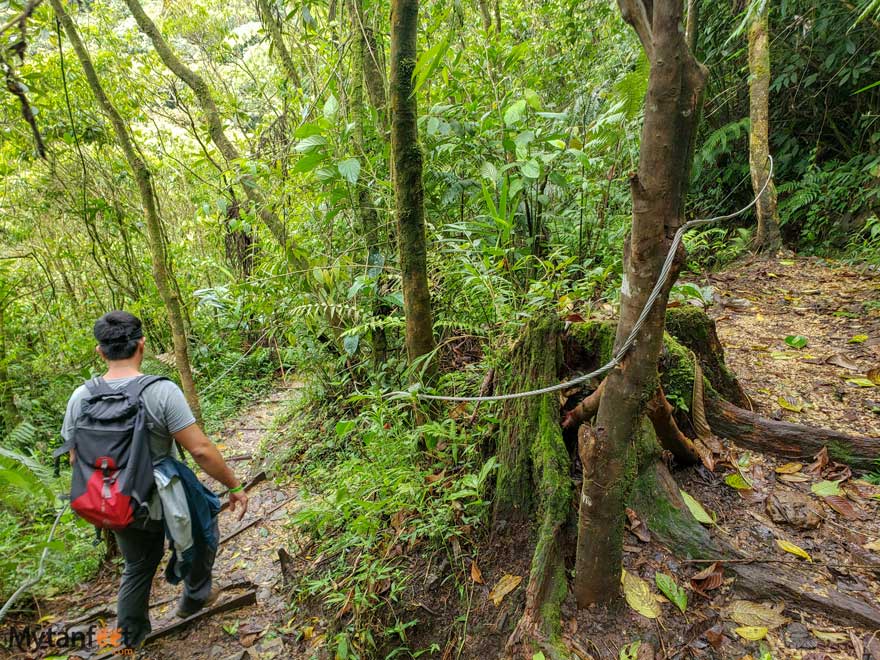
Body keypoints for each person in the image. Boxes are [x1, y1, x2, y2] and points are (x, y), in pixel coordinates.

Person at [60, 311, 248, 649]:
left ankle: (131, 640)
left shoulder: (80, 397)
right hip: (167, 489)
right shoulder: (161, 391)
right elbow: (201, 450)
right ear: (142, 345)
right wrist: (234, 486)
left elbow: (76, 459)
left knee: (138, 565)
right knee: (205, 526)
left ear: (100, 352)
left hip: (116, 498)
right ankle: (194, 596)